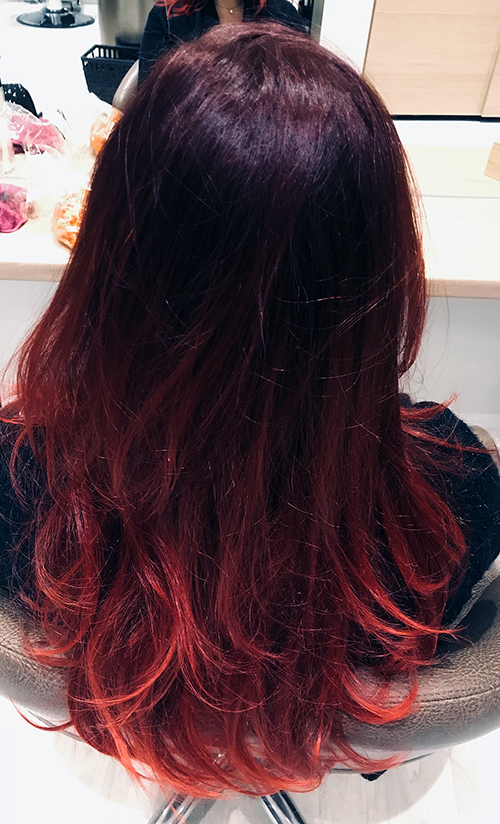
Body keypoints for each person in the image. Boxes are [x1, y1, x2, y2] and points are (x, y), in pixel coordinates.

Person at [1, 23, 499, 797]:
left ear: (116, 249)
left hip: (124, 729)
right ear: (375, 263)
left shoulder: (17, 474)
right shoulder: (457, 490)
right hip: (323, 749)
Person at [138, 0, 307, 83]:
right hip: (191, 128)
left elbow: (303, 86)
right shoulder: (168, 15)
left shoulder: (283, 14)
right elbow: (148, 91)